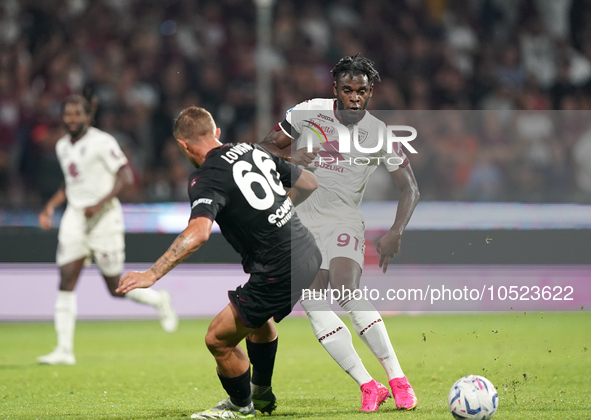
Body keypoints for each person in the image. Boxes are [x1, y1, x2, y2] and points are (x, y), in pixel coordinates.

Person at [116, 106, 321, 419]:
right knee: (257, 322)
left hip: (279, 267)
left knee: (217, 338)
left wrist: (152, 274)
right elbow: (308, 182)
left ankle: (242, 407)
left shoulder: (206, 177)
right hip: (307, 250)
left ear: (183, 146)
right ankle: (261, 394)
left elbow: (198, 234)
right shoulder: (251, 150)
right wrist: (283, 212)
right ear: (217, 134)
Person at [258, 54, 421, 411]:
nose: (355, 98)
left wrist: (397, 231)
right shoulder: (306, 113)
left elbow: (410, 188)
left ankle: (398, 379)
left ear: (370, 91)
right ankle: (369, 385)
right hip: (301, 222)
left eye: (361, 91)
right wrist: (287, 162)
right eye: (347, 90)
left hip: (344, 218)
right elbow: (262, 148)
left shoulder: (379, 132)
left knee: (347, 290)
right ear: (335, 89)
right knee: (314, 303)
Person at [37, 95, 178, 366]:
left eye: (77, 114)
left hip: (104, 219)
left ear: (88, 117)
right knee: (66, 279)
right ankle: (64, 350)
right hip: (75, 218)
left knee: (115, 287)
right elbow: (71, 183)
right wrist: (50, 206)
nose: (71, 119)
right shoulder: (63, 146)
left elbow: (126, 177)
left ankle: (160, 300)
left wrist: (98, 203)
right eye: (67, 115)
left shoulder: (103, 142)